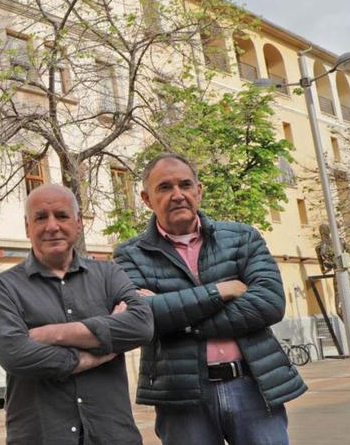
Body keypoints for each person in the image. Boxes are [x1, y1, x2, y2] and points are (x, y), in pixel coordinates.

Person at [114, 153, 305, 444]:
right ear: (146, 198)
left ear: (198, 190)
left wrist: (180, 320)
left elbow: (269, 303)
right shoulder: (130, 255)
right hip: (182, 398)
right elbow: (143, 317)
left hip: (252, 387)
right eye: (164, 187)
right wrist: (221, 291)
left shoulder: (242, 238)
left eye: (185, 185)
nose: (177, 195)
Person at [0, 184, 153, 444]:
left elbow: (142, 326)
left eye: (62, 216)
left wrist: (52, 334)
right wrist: (97, 353)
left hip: (111, 435)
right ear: (27, 227)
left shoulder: (108, 274)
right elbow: (14, 354)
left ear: (78, 223)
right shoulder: (5, 287)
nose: (52, 226)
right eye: (41, 217)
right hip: (41, 436)